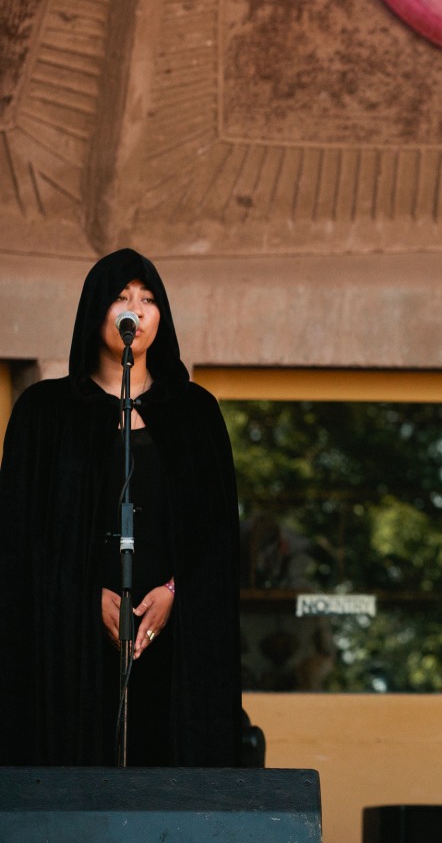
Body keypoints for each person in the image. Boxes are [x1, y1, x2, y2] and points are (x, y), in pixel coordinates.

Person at [0, 248, 243, 765]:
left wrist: (177, 591)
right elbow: (20, 538)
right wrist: (86, 596)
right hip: (70, 642)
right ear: (95, 310)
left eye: (148, 298)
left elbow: (218, 536)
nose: (136, 307)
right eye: (121, 296)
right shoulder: (44, 414)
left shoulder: (195, 415)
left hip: (170, 639)